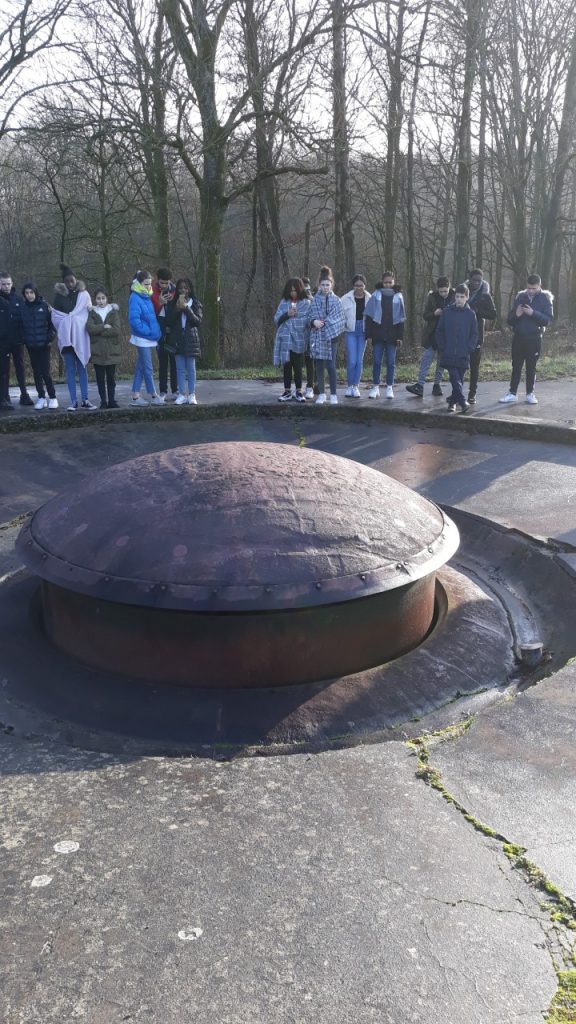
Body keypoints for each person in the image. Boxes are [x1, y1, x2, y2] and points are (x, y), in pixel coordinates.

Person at [499, 274, 553, 405]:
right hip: (518, 338)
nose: (530, 291)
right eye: (528, 288)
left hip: (534, 339)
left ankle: (530, 394)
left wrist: (533, 313)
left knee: (531, 367)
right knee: (516, 366)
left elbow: (548, 320)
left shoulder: (545, 299)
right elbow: (509, 319)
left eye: (533, 288)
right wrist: (516, 315)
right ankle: (512, 393)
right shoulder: (520, 297)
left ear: (539, 286)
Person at [51, 265, 95, 411]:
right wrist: (69, 321)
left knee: (82, 367)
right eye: (67, 281)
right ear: (63, 282)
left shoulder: (84, 295)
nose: (70, 284)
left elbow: (87, 315)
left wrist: (75, 321)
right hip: (67, 339)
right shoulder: (58, 297)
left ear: (76, 280)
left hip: (81, 337)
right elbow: (56, 317)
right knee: (70, 369)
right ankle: (73, 401)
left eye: (72, 281)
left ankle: (85, 399)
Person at [406, 276, 454, 398]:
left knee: (441, 362)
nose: (443, 294)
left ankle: (437, 385)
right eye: (441, 291)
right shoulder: (432, 297)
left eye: (445, 291)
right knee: (426, 360)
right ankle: (420, 385)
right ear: (437, 289)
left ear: (449, 288)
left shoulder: (455, 297)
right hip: (432, 334)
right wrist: (434, 313)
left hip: (447, 335)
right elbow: (425, 315)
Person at [436, 283, 478, 414]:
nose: (459, 299)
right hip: (448, 352)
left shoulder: (471, 315)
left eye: (462, 297)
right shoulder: (447, 312)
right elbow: (439, 331)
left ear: (467, 298)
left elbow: (474, 334)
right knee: (454, 377)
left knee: (458, 379)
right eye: (457, 296)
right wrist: (443, 346)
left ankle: (452, 403)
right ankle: (462, 401)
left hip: (463, 352)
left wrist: (469, 347)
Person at [364, 270, 406, 399]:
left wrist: (400, 336)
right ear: (382, 282)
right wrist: (369, 335)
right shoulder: (375, 295)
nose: (388, 285)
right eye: (385, 282)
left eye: (390, 282)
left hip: (392, 335)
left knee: (391, 362)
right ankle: (375, 386)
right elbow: (369, 317)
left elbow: (401, 318)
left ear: (394, 282)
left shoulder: (399, 297)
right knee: (376, 361)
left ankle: (389, 387)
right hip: (378, 334)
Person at [164, 276, 203, 405]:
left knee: (191, 369)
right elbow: (168, 321)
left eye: (186, 288)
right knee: (179, 369)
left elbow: (197, 321)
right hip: (177, 340)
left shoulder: (195, 303)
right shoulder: (172, 303)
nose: (183, 290)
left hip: (191, 340)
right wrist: (177, 309)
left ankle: (192, 394)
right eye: (180, 288)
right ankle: (182, 394)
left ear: (190, 290)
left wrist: (186, 308)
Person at [20, 283, 58, 409]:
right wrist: (25, 340)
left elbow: (53, 325)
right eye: (27, 293)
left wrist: (49, 339)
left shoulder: (44, 305)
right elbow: (20, 327)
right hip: (31, 346)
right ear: (24, 294)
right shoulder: (23, 308)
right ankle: (41, 397)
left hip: (44, 345)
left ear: (35, 292)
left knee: (45, 372)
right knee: (36, 372)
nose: (29, 295)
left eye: (31, 292)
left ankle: (52, 397)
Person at [308, 273, 345, 405]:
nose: (325, 287)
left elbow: (340, 319)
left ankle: (333, 394)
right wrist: (314, 322)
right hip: (317, 337)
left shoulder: (337, 300)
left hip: (332, 337)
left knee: (331, 366)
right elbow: (309, 317)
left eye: (327, 285)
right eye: (322, 285)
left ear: (331, 285)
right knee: (319, 365)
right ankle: (322, 394)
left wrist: (326, 323)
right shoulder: (314, 300)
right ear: (319, 285)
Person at [128, 270, 163, 406]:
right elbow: (134, 320)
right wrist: (148, 331)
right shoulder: (135, 297)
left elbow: (150, 317)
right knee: (148, 367)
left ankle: (135, 396)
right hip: (142, 338)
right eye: (146, 284)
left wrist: (155, 331)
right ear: (139, 283)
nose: (149, 287)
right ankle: (153, 395)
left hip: (148, 338)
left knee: (141, 367)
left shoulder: (146, 296)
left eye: (150, 284)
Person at [273, 278, 311, 402]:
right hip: (285, 339)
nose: (293, 293)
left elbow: (307, 320)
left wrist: (294, 320)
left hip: (299, 339)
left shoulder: (306, 303)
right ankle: (287, 391)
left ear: (300, 290)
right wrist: (287, 315)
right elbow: (277, 319)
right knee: (287, 365)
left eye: (295, 290)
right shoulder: (284, 302)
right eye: (290, 291)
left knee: (297, 365)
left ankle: (299, 391)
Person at [0, 271, 33, 409]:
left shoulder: (18, 300)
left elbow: (24, 320)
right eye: (3, 284)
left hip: (18, 341)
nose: (6, 286)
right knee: (3, 370)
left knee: (20, 368)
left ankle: (24, 395)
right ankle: (4, 398)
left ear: (12, 283)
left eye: (8, 283)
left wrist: (24, 337)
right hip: (2, 342)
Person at [464, 268, 497, 404]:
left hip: (477, 334)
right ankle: (457, 393)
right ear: (470, 280)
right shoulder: (462, 292)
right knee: (459, 365)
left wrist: (478, 311)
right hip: (462, 333)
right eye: (474, 280)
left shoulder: (485, 295)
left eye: (479, 280)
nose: (477, 283)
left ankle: (472, 394)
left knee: (474, 366)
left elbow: (493, 314)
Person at [86, 288, 122, 408]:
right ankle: (103, 402)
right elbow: (90, 328)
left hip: (112, 350)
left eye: (103, 298)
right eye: (98, 298)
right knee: (100, 379)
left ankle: (111, 400)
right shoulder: (92, 313)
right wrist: (104, 327)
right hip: (97, 351)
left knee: (111, 379)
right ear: (94, 300)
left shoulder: (113, 312)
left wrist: (100, 331)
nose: (100, 301)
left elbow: (116, 330)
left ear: (107, 299)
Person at [340, 274, 371, 398]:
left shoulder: (370, 298)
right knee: (352, 360)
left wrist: (371, 333)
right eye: (356, 285)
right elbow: (341, 316)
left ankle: (356, 386)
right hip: (351, 331)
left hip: (363, 331)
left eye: (361, 285)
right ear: (353, 286)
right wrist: (343, 327)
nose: (359, 288)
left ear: (364, 286)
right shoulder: (345, 298)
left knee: (359, 360)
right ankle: (349, 385)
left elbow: (373, 316)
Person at [151, 267, 178, 401]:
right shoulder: (152, 292)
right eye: (162, 282)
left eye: (166, 283)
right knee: (162, 363)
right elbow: (150, 313)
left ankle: (175, 390)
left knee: (174, 362)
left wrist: (171, 302)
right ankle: (163, 391)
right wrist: (160, 304)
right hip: (159, 331)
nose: (164, 285)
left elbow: (178, 311)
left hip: (172, 331)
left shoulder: (175, 291)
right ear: (157, 281)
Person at [301, 276, 315, 399]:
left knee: (310, 361)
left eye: (307, 286)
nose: (305, 288)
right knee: (298, 363)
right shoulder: (294, 300)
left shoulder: (312, 299)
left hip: (310, 336)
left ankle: (310, 386)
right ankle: (298, 388)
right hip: (298, 336)